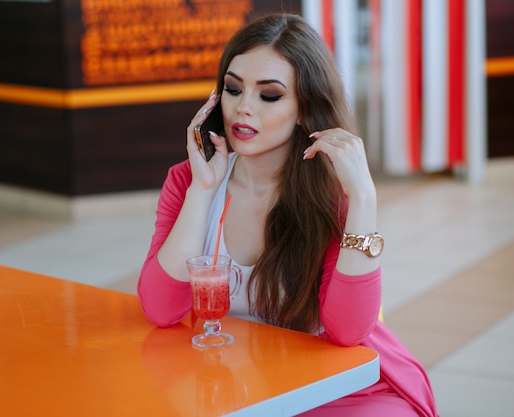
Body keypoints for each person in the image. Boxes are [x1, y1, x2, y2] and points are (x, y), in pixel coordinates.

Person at [137, 13, 439, 417]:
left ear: (304, 108)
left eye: (269, 95)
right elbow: (160, 309)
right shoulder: (188, 182)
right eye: (232, 88)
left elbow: (348, 332)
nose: (243, 108)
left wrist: (363, 199)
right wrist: (202, 189)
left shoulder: (332, 193)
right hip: (233, 381)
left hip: (337, 387)